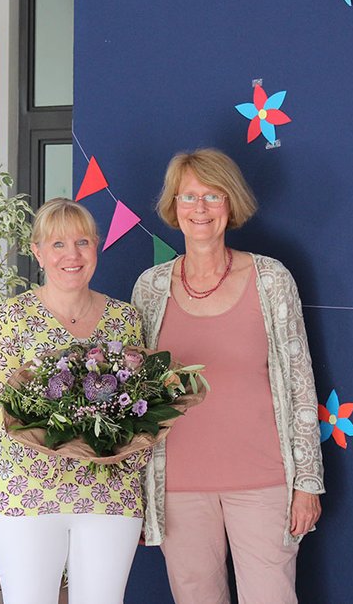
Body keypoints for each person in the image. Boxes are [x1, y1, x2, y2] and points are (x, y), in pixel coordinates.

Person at [131, 149, 324, 604]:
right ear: (173, 207)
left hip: (265, 483)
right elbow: (137, 399)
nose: (199, 209)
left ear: (230, 204)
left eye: (212, 196)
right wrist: (136, 492)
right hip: (177, 488)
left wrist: (308, 482)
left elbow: (300, 384)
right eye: (189, 197)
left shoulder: (271, 279)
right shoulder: (149, 288)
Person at [0, 198, 147, 604]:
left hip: (111, 496)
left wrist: (125, 447)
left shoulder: (126, 319)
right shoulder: (12, 317)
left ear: (97, 247)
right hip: (27, 494)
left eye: (82, 242)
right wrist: (65, 436)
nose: (71, 255)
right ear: (37, 252)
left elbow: (143, 408)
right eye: (57, 245)